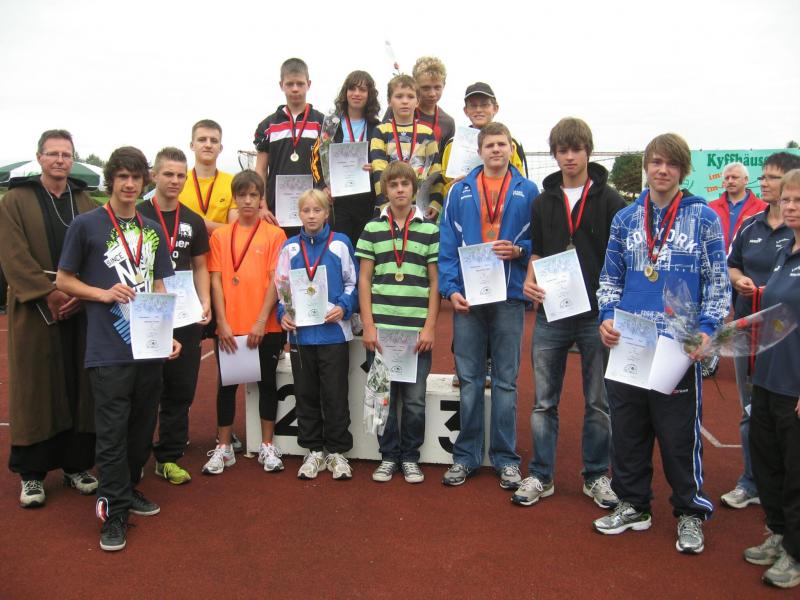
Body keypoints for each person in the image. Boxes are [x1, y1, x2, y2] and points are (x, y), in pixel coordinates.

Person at [592, 133, 730, 555]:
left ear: (682, 170)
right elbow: (610, 278)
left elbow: (718, 283)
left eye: (671, 163)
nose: (662, 170)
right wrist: (606, 316)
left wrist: (707, 329)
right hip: (630, 343)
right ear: (646, 167)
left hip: (676, 349)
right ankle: (633, 504)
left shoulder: (704, 218)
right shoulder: (625, 219)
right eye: (656, 162)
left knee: (677, 438)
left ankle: (690, 511)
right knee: (628, 433)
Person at [56, 146, 180, 552]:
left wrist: (167, 332)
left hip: (148, 347)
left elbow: (159, 284)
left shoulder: (152, 229)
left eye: (135, 177)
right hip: (108, 348)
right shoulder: (86, 225)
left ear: (144, 181)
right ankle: (114, 511)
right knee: (111, 434)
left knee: (141, 430)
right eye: (122, 177)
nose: (129, 184)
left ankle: (126, 488)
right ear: (111, 180)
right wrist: (102, 293)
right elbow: (63, 280)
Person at [516, 118, 625, 508]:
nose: (569, 157)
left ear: (588, 152)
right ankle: (541, 474)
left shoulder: (611, 200)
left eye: (576, 149)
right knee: (544, 401)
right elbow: (538, 250)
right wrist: (529, 280)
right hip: (553, 311)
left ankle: (596, 475)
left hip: (596, 314)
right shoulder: (543, 202)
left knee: (598, 401)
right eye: (562, 150)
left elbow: (619, 257)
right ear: (555, 155)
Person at [0, 129, 97, 509]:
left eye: (66, 154)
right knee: (36, 388)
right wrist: (51, 294)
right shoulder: (16, 200)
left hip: (80, 307)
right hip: (35, 310)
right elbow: (12, 255)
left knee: (79, 385)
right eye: (53, 153)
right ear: (39, 157)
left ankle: (76, 466)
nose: (59, 160)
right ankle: (32, 475)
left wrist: (79, 294)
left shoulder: (84, 201)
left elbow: (97, 252)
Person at [439, 122, 539, 489]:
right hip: (469, 297)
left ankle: (505, 458)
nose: (496, 150)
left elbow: (540, 240)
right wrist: (450, 289)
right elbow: (447, 243)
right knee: (469, 380)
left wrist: (520, 250)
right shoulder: (459, 190)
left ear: (511, 149)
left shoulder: (528, 190)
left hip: (508, 296)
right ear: (479, 150)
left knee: (505, 381)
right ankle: (465, 456)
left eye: (502, 144)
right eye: (490, 144)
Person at [722, 152, 800, 510]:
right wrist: (739, 280)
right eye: (763, 177)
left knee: (786, 426)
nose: (764, 183)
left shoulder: (792, 233)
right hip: (750, 333)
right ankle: (753, 483)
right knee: (753, 412)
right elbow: (732, 265)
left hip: (788, 345)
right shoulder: (752, 226)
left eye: (773, 177)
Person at [356, 161, 439, 484]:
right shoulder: (372, 229)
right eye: (394, 185)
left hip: (416, 332)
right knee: (384, 397)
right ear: (385, 190)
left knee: (415, 400)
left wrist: (429, 327)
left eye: (406, 184)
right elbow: (365, 280)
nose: (400, 189)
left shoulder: (430, 230)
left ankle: (410, 457)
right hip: (382, 331)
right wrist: (369, 326)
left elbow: (434, 282)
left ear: (414, 189)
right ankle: (389, 455)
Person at [204, 170, 287, 476]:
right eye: (242, 195)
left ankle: (267, 445)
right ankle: (224, 447)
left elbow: (276, 281)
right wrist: (222, 322)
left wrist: (262, 320)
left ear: (261, 198)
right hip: (230, 326)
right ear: (235, 199)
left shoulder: (275, 235)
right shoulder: (220, 236)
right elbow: (215, 281)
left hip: (266, 326)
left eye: (254, 195)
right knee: (226, 387)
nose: (248, 201)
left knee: (267, 385)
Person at [138, 147, 211, 485]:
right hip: (146, 313)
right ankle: (135, 457)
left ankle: (168, 457)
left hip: (185, 315)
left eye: (181, 175)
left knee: (180, 390)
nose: (175, 181)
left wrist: (205, 301)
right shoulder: (138, 215)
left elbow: (200, 265)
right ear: (154, 175)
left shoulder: (193, 220)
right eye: (168, 174)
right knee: (143, 389)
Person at [742, 168, 800, 589]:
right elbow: (779, 317)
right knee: (769, 464)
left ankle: (796, 554)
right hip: (767, 377)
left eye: (799, 201)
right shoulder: (785, 252)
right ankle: (779, 534)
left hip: (794, 385)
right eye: (786, 200)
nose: (791, 207)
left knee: (797, 472)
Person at [276, 189, 358, 480]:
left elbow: (353, 283)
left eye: (317, 210)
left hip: (333, 334)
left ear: (326, 213)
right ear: (299, 214)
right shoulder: (289, 248)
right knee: (306, 394)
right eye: (306, 210)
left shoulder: (340, 243)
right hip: (301, 336)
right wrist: (283, 313)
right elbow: (282, 288)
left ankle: (337, 452)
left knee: (335, 395)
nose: (311, 216)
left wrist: (343, 306)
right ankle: (313, 451)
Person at [254, 57, 325, 235]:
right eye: (290, 84)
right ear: (281, 85)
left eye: (300, 84)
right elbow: (261, 169)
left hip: (314, 210)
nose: (295, 89)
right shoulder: (268, 125)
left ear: (309, 84)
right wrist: (262, 204)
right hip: (276, 212)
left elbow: (329, 165)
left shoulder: (322, 122)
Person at [310, 70, 380, 247]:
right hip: (338, 201)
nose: (356, 93)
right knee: (339, 248)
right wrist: (323, 186)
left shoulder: (377, 127)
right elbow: (316, 158)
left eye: (362, 90)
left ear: (370, 95)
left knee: (364, 250)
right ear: (345, 92)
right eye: (352, 88)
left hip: (367, 199)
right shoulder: (331, 124)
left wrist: (376, 166)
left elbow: (383, 160)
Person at [369, 74, 443, 221]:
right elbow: (379, 171)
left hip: (420, 207)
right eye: (399, 96)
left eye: (410, 96)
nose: (404, 101)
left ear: (417, 101)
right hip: (389, 206)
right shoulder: (381, 131)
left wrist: (436, 202)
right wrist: (385, 205)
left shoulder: (427, 133)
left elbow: (435, 170)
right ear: (389, 101)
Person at [441, 82, 528, 198]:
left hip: (502, 202)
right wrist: (454, 187)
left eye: (484, 105)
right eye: (473, 105)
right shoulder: (452, 144)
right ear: (466, 110)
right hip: (465, 201)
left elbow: (521, 181)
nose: (478, 110)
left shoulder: (512, 143)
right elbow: (445, 184)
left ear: (495, 108)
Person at [178, 119, 237, 233]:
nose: (208, 145)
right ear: (192, 145)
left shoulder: (233, 182)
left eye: (214, 141)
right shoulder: (178, 180)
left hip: (219, 245)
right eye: (202, 140)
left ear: (220, 148)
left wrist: (196, 223)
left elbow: (234, 230)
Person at [384, 56, 455, 148]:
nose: (432, 94)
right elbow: (381, 142)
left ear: (444, 85)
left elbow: (445, 155)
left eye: (437, 87)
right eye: (426, 88)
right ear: (415, 85)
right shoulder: (397, 110)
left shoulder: (447, 123)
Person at [708, 162, 765, 252]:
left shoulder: (762, 207)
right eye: (727, 178)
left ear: (746, 180)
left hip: (747, 259)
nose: (730, 181)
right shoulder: (711, 207)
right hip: (718, 258)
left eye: (734, 177)